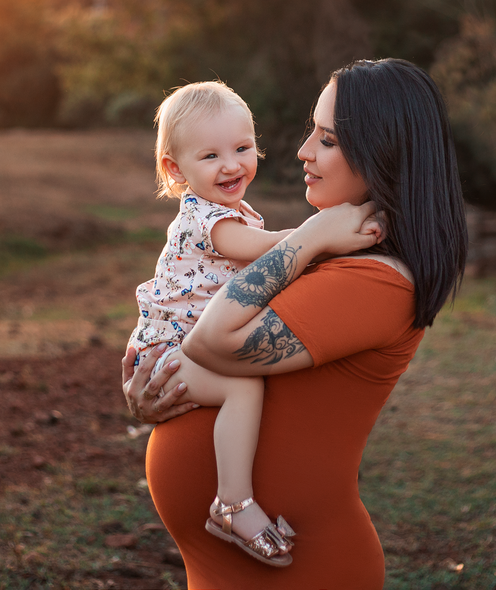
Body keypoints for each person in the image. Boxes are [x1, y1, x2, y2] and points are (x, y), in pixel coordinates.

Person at [122, 59, 468, 589]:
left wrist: (312, 234)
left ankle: (233, 503)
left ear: (381, 154)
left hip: (304, 568)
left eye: (326, 139)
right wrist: (163, 392)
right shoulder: (335, 258)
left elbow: (212, 340)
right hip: (229, 568)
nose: (304, 150)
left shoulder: (378, 282)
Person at [129, 81, 375, 567]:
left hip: (186, 347)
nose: (231, 165)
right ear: (175, 169)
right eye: (210, 156)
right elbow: (268, 252)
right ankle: (232, 504)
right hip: (171, 351)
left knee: (243, 382)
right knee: (243, 388)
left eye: (242, 148)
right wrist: (319, 234)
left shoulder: (235, 214)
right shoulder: (204, 219)